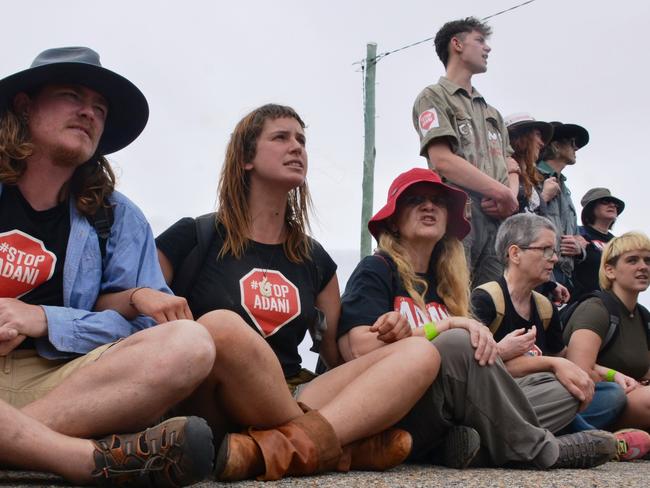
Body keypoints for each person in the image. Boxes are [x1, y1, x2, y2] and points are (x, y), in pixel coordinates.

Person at [156, 104, 441, 481]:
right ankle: (337, 448)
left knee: (421, 352)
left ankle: (275, 448)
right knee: (221, 329)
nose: (297, 147)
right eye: (281, 137)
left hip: (294, 393)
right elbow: (144, 323)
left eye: (302, 140)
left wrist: (389, 332)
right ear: (245, 159)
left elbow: (336, 359)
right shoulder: (192, 237)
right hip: (210, 399)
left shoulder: (316, 261)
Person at [0, 46, 222, 486]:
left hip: (63, 383)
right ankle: (82, 459)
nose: (89, 113)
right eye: (71, 96)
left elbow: (147, 332)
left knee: (189, 343)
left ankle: (19, 438)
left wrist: (45, 319)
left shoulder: (118, 217)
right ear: (25, 105)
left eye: (99, 108)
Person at [337, 167, 617, 469]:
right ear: (393, 219)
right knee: (458, 340)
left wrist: (540, 360)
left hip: (453, 409)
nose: (429, 206)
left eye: (438, 201)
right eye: (415, 200)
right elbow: (358, 350)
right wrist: (447, 325)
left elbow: (471, 366)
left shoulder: (450, 285)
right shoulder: (377, 269)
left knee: (568, 390)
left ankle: (457, 448)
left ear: (447, 220)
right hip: (398, 410)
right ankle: (541, 450)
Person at [470, 213, 646, 460]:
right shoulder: (486, 299)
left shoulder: (544, 306)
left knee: (608, 394)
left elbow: (565, 360)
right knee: (565, 391)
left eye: (553, 250)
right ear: (515, 254)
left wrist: (612, 374)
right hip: (500, 398)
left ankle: (546, 437)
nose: (554, 258)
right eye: (544, 250)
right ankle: (592, 440)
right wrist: (552, 364)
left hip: (542, 398)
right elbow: (476, 368)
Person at [412, 17, 518, 287]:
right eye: (480, 40)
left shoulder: (491, 112)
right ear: (456, 44)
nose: (488, 49)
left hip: (498, 221)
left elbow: (510, 163)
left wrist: (509, 198)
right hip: (460, 214)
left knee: (492, 304)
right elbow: (442, 160)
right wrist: (500, 192)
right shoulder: (434, 96)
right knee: (455, 297)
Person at [564, 232, 650, 446]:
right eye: (632, 260)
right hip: (593, 401)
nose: (643, 267)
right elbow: (579, 370)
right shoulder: (597, 308)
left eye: (648, 260)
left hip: (630, 400)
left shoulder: (643, 317)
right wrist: (620, 380)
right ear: (610, 270)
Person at [537, 121, 590, 294]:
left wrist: (579, 249)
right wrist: (542, 199)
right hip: (540, 271)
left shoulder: (565, 189)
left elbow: (575, 235)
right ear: (556, 145)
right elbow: (521, 219)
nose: (576, 148)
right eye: (572, 142)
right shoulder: (532, 175)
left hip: (564, 275)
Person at [571, 188, 625, 302]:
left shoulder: (619, 243)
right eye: (605, 201)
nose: (612, 205)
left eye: (615, 204)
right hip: (583, 301)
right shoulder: (577, 233)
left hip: (615, 302)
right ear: (591, 208)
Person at [503, 113, 560, 215]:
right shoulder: (502, 169)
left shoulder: (528, 178)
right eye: (537, 135)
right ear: (521, 136)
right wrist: (544, 197)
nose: (542, 144)